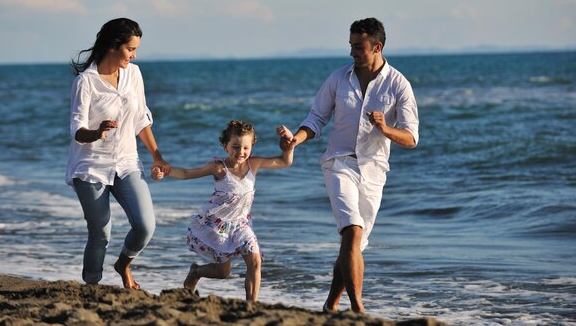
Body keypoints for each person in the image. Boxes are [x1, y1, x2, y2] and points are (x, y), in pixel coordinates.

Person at [280, 17, 419, 313]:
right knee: (352, 231)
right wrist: (296, 139)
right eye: (351, 46)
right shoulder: (337, 79)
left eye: (359, 47)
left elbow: (411, 137)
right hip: (338, 163)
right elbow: (316, 118)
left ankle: (330, 305)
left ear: (377, 46)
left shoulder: (398, 84)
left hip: (374, 172)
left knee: (355, 244)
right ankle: (358, 310)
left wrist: (385, 129)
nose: (352, 52)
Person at [66, 18, 170, 290]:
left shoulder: (133, 74)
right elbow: (77, 130)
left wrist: (157, 155)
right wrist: (97, 132)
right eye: (130, 49)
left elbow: (140, 119)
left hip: (126, 163)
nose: (134, 55)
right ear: (114, 46)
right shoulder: (86, 82)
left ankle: (123, 263)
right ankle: (92, 286)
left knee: (145, 225)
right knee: (100, 233)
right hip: (90, 167)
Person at [153, 120, 294, 301]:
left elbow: (284, 162)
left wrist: (289, 144)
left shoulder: (255, 164)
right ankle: (196, 271)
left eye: (245, 147)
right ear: (225, 146)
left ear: (252, 146)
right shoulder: (219, 167)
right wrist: (165, 171)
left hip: (242, 224)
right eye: (235, 147)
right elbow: (188, 173)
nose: (241, 152)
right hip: (218, 226)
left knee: (255, 261)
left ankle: (251, 305)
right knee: (222, 273)